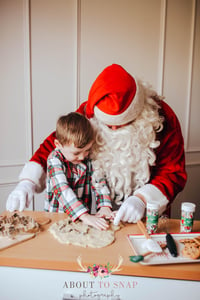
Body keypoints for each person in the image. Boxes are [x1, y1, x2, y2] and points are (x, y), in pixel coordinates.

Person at [6, 64, 187, 225]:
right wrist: (27, 182)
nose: (114, 129)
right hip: (103, 209)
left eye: (124, 124)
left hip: (148, 209)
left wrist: (142, 199)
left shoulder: (161, 118)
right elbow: (57, 143)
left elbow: (173, 172)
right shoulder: (90, 112)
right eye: (108, 125)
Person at [44, 112, 112, 230]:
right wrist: (85, 215)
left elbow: (99, 182)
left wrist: (104, 206)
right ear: (58, 144)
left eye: (87, 150)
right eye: (76, 153)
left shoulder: (89, 158)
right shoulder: (54, 160)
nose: (82, 157)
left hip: (82, 221)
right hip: (58, 218)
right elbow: (62, 190)